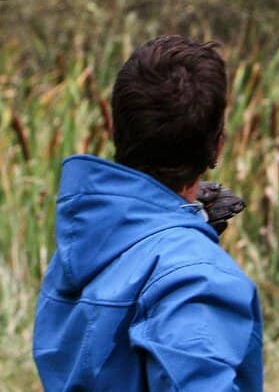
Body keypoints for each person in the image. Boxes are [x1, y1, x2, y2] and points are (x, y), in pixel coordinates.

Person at [33, 35, 263, 390]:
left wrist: (181, 227)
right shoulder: (196, 278)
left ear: (113, 129)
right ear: (218, 145)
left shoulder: (86, 240)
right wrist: (185, 251)